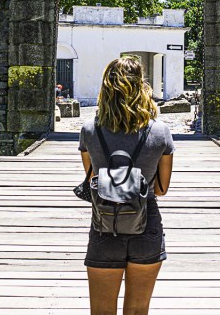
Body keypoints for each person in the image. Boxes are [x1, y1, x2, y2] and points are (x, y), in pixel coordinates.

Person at [79, 57, 174, 315]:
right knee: (137, 311)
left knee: (101, 312)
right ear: (141, 86)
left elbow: (93, 180)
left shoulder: (90, 130)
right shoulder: (160, 131)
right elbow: (161, 188)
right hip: (146, 224)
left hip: (104, 225)